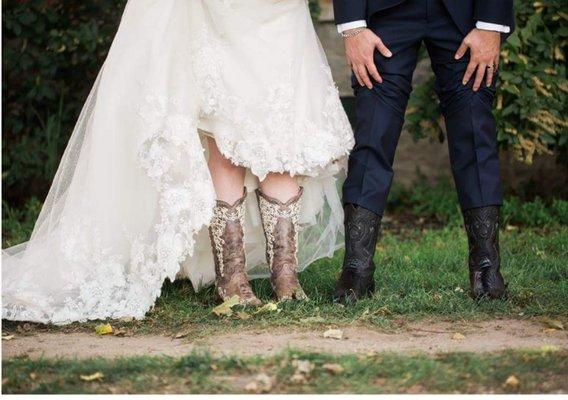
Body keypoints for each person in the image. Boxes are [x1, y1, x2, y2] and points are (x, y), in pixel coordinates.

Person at [2, 0, 354, 324]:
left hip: (278, 11)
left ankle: (285, 275)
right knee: (223, 126)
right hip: (220, 10)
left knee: (284, 129)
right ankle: (232, 277)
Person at [332, 0, 514, 301]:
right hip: (385, 13)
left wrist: (491, 24)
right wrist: (353, 27)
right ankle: (356, 268)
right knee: (373, 133)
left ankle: (486, 267)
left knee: (474, 133)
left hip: (465, 14)